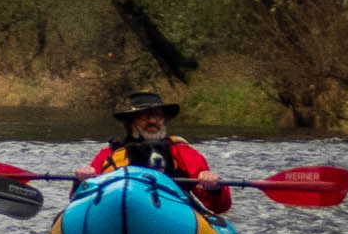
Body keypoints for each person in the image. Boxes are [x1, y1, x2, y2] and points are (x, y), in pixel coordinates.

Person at [75, 91, 231, 214]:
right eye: (144, 116)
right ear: (131, 122)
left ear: (164, 120)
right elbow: (79, 197)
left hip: (172, 213)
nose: (152, 121)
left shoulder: (183, 152)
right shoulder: (109, 154)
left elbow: (220, 207)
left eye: (158, 115)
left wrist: (213, 186)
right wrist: (82, 180)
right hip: (117, 209)